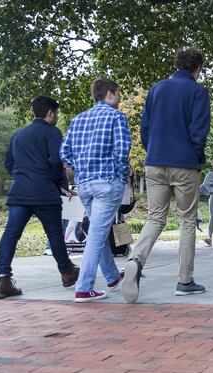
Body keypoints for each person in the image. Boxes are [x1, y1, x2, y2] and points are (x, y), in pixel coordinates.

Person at [122, 47, 210, 304]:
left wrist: (154, 151)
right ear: (198, 68)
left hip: (155, 162)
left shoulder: (157, 89)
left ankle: (136, 259)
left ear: (177, 64)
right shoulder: (197, 91)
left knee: (156, 217)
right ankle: (184, 280)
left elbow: (145, 128)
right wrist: (193, 157)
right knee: (187, 221)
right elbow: (198, 131)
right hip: (184, 163)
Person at [0, 95, 80, 299]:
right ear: (50, 113)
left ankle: (3, 280)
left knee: (10, 235)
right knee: (55, 234)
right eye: (56, 113)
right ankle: (67, 272)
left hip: (19, 192)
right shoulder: (52, 133)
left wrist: (22, 176)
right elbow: (56, 162)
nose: (57, 117)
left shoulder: (18, 135)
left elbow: (9, 163)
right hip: (44, 193)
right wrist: (58, 184)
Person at [61, 77, 132, 302]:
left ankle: (112, 277)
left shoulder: (78, 119)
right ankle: (84, 287)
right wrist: (121, 175)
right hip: (108, 182)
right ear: (109, 93)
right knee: (96, 234)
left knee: (96, 232)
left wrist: (81, 168)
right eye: (118, 93)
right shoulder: (117, 117)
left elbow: (64, 153)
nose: (120, 98)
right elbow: (122, 151)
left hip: (85, 184)